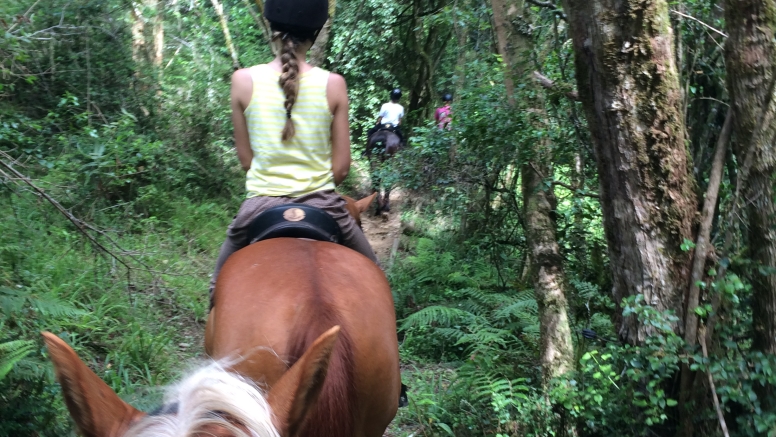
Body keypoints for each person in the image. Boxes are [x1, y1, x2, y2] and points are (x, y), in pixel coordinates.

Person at [210, 0, 379, 300]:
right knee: (376, 281)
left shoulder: (242, 81)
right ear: (316, 30)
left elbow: (246, 161)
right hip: (325, 205)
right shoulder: (335, 85)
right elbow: (341, 169)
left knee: (218, 291)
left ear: (272, 27)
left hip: (259, 206)